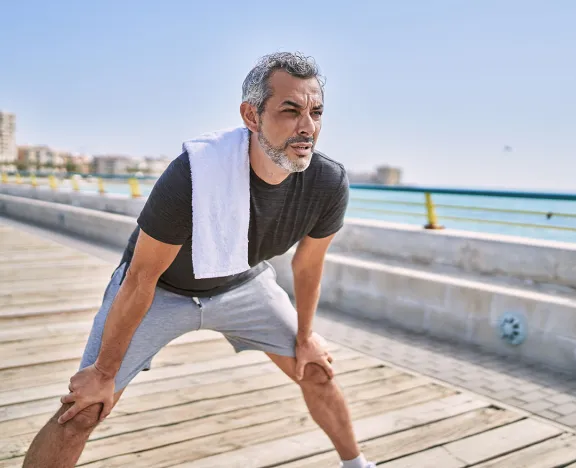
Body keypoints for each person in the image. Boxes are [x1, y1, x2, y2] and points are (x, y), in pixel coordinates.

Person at [22, 52, 376, 468]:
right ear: (251, 115)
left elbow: (308, 265)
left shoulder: (327, 182)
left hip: (243, 284)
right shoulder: (193, 173)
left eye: (316, 112)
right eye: (290, 110)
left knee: (315, 366)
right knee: (83, 409)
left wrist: (304, 336)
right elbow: (140, 277)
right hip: (160, 291)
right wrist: (102, 373)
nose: (308, 127)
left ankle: (356, 465)